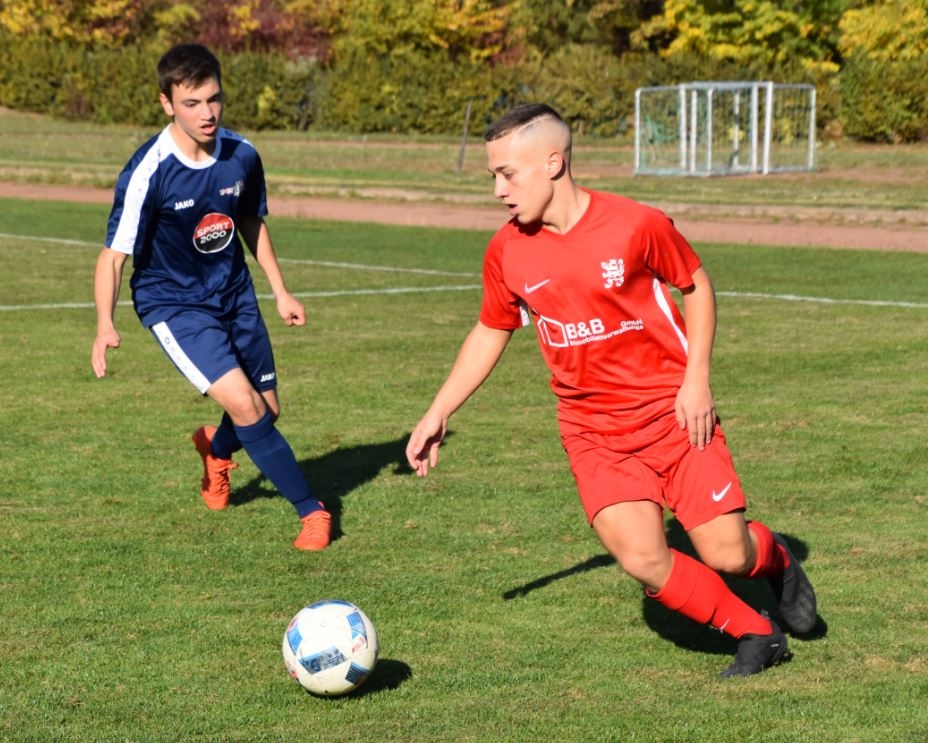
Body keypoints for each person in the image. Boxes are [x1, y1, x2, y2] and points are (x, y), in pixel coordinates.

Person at [405, 103, 817, 677]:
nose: (498, 190)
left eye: (508, 174)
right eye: (493, 176)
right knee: (643, 557)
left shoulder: (635, 224)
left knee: (728, 554)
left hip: (673, 414)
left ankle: (775, 560)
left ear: (553, 163)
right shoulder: (506, 250)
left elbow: (695, 286)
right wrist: (438, 411)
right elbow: (492, 328)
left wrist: (696, 379)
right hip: (594, 432)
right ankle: (757, 633)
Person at [91, 43, 330, 551]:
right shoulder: (149, 170)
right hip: (173, 303)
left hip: (234, 292)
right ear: (167, 103)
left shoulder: (242, 155)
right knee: (246, 405)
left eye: (214, 99)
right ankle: (312, 511)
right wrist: (104, 325)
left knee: (267, 409)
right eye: (192, 103)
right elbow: (112, 257)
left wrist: (281, 291)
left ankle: (215, 449)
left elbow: (249, 222)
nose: (208, 113)